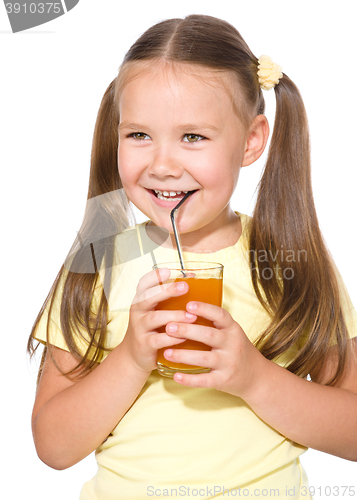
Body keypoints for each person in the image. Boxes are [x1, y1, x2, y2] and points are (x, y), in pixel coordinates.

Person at [28, 14, 357, 500]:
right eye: (139, 135)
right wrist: (131, 359)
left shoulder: (290, 259)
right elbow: (53, 446)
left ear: (250, 141)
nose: (161, 164)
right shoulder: (98, 259)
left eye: (193, 137)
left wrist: (254, 378)